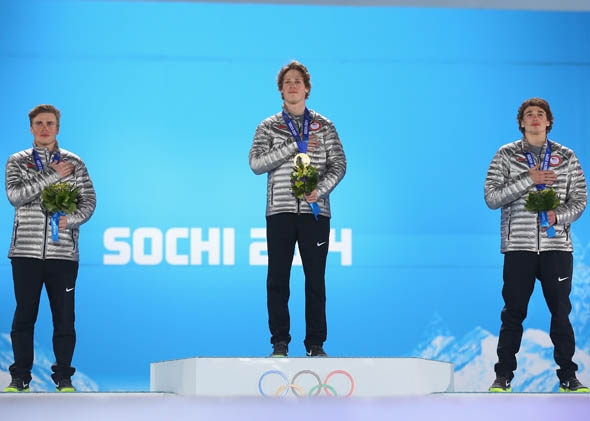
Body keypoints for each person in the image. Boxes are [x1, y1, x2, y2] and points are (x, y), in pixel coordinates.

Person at [484, 97, 588, 393]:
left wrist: (558, 216)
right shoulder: (505, 155)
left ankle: (568, 376)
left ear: (548, 121)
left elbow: (579, 201)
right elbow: (491, 198)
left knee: (561, 312)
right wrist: (528, 179)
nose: (534, 118)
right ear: (521, 122)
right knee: (513, 312)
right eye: (528, 114)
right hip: (519, 247)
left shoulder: (567, 157)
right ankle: (503, 376)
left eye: (539, 114)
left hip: (557, 247)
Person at [249, 60, 346, 358]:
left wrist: (321, 190)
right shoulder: (268, 126)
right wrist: (294, 146)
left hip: (316, 213)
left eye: (298, 81)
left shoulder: (325, 125)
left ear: (307, 88)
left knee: (315, 279)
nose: (292, 86)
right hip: (279, 211)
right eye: (287, 82)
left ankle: (316, 344)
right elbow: (256, 164)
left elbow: (339, 165)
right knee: (278, 278)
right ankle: (280, 341)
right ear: (280, 90)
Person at [3, 104, 96, 393]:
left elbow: (89, 202)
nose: (45, 128)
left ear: (58, 128)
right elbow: (15, 196)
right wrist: (52, 175)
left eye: (51, 124)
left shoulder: (75, 163)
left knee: (64, 318)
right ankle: (20, 377)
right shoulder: (17, 161)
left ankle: (64, 377)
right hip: (25, 254)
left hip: (63, 254)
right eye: (40, 123)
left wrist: (71, 220)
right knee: (24, 315)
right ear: (31, 128)